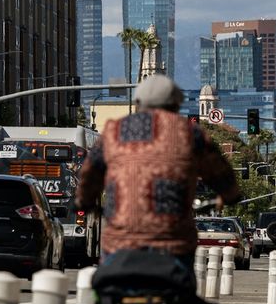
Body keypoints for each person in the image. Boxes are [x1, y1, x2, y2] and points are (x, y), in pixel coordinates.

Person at [76, 74, 241, 259]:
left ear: (138, 103)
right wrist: (228, 196)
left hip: (120, 246)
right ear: (176, 105)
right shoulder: (190, 134)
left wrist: (83, 201)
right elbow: (224, 177)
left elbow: (88, 175)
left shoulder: (114, 131)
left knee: (102, 275)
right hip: (173, 247)